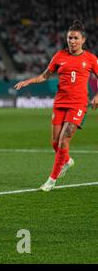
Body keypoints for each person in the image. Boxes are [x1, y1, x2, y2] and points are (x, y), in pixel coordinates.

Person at [14, 20, 98, 191]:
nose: (72, 41)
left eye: (75, 38)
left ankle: (51, 180)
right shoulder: (59, 56)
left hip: (78, 105)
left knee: (63, 141)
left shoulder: (91, 59)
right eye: (69, 38)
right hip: (60, 103)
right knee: (54, 142)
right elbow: (45, 76)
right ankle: (66, 161)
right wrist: (28, 81)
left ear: (83, 40)